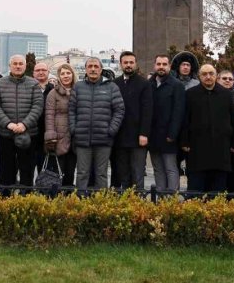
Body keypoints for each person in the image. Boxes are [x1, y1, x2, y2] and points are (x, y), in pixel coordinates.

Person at [179, 64, 234, 192]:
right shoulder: (190, 94)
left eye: (211, 73)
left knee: (218, 191)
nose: (208, 77)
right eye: (204, 74)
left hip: (221, 148)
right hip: (197, 149)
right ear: (199, 76)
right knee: (196, 190)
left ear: (216, 75)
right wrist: (184, 141)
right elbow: (185, 119)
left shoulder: (226, 95)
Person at [68, 57, 125, 190]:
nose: (93, 69)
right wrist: (74, 129)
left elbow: (119, 110)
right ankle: (80, 204)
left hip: (104, 139)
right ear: (86, 69)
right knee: (82, 173)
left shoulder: (111, 87)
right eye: (90, 66)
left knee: (101, 174)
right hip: (82, 139)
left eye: (96, 66)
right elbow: (71, 110)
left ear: (101, 69)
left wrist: (111, 130)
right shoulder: (78, 87)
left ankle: (100, 204)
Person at [0, 54, 43, 186]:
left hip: (28, 135)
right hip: (6, 134)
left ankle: (26, 200)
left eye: (21, 64)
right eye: (15, 64)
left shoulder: (33, 84)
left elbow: (38, 106)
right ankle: (7, 199)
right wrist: (8, 124)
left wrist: (24, 124)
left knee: (27, 171)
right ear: (10, 66)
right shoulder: (0, 84)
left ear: (25, 66)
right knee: (6, 171)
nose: (18, 66)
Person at [112, 51, 152, 189]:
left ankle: (138, 206)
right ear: (121, 64)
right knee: (123, 173)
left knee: (138, 174)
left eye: (131, 62)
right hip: (120, 137)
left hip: (138, 137)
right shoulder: (115, 84)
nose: (128, 65)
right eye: (125, 62)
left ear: (135, 64)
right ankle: (125, 204)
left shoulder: (144, 84)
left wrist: (144, 133)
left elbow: (148, 110)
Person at [148, 54, 185, 191]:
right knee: (158, 169)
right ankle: (160, 198)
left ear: (169, 66)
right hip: (152, 136)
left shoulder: (177, 85)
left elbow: (178, 112)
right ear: (154, 66)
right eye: (159, 64)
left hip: (169, 136)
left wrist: (172, 134)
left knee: (171, 169)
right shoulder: (149, 84)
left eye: (164, 64)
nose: (161, 67)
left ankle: (171, 202)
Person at [44, 63, 77, 187]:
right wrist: (51, 136)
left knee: (71, 170)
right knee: (58, 170)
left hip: (74, 135)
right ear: (59, 76)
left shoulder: (78, 91)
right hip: (59, 136)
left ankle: (69, 197)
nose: (66, 76)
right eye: (62, 74)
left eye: (68, 73)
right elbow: (49, 115)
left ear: (73, 74)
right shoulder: (53, 93)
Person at [32, 61, 53, 174]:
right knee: (28, 170)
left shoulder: (54, 90)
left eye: (43, 70)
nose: (41, 72)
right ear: (33, 73)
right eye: (38, 70)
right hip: (30, 135)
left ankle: (43, 192)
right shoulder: (28, 89)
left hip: (47, 137)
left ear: (48, 73)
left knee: (45, 171)